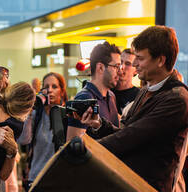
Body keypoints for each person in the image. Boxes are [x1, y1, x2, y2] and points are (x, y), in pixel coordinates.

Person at [79, 26, 188, 191]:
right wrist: (100, 124)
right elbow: (127, 131)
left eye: (140, 58)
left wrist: (85, 148)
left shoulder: (177, 99)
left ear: (160, 60)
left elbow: (131, 137)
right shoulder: (147, 90)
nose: (135, 64)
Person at [18, 72, 68, 190]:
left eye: (54, 87)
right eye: (46, 87)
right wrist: (29, 110)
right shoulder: (36, 114)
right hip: (37, 178)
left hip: (60, 179)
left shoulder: (68, 115)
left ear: (62, 90)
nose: (49, 90)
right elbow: (23, 140)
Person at [66, 41, 120, 141]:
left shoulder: (111, 96)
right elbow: (72, 143)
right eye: (116, 67)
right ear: (100, 67)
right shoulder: (84, 98)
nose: (120, 72)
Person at [112, 48, 140, 115]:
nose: (122, 67)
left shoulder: (139, 97)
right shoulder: (106, 91)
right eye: (120, 62)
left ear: (136, 70)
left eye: (128, 64)